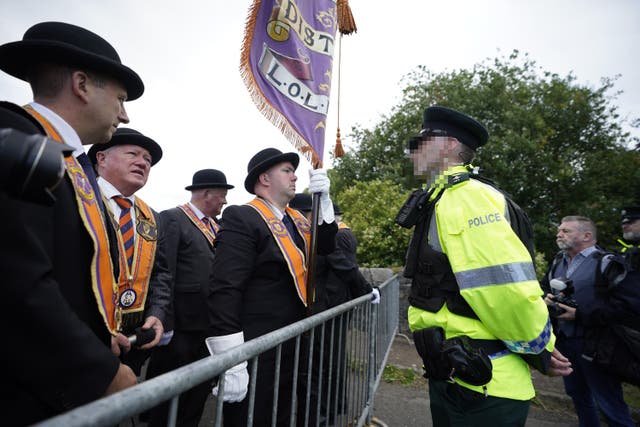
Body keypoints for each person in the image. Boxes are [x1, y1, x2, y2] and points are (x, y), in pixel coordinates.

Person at [0, 21, 143, 423]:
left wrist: (99, 333)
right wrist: (98, 371)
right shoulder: (14, 136)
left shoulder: (69, 160)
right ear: (81, 85)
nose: (125, 114)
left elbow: (66, 264)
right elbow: (17, 282)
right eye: (119, 98)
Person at [402, 106, 572, 426]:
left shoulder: (468, 197)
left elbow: (504, 288)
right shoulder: (443, 195)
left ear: (450, 145)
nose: (413, 151)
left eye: (421, 142)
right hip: (461, 376)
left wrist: (539, 348)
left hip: (484, 386)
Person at [206, 148, 338, 427]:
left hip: (291, 342)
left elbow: (326, 246)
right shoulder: (242, 217)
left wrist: (324, 201)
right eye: (287, 171)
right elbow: (225, 288)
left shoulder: (297, 220)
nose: (295, 177)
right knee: (251, 416)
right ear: (264, 178)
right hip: (256, 346)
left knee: (278, 414)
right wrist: (232, 359)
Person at [145, 169, 234, 427]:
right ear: (207, 194)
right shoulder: (173, 218)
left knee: (197, 392)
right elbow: (164, 271)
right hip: (180, 327)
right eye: (222, 196)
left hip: (206, 326)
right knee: (170, 393)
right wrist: (166, 323)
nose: (225, 202)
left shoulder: (215, 226)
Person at [289, 193, 380, 423]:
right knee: (327, 361)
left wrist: (366, 290)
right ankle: (328, 410)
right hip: (330, 305)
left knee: (326, 362)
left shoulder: (338, 236)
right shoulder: (341, 233)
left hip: (329, 305)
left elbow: (344, 266)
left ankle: (325, 412)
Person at [88, 127, 171, 373]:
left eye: (147, 160)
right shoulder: (80, 199)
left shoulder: (152, 217)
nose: (142, 163)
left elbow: (161, 273)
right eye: (132, 154)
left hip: (136, 340)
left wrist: (157, 313)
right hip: (87, 337)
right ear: (101, 158)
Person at [541, 216, 635, 426]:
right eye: (559, 230)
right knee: (578, 396)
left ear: (587, 236)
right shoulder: (558, 260)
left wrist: (580, 315)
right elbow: (544, 288)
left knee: (608, 403)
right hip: (565, 341)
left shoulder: (608, 263)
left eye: (566, 231)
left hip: (598, 345)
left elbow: (625, 307)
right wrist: (546, 298)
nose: (559, 234)